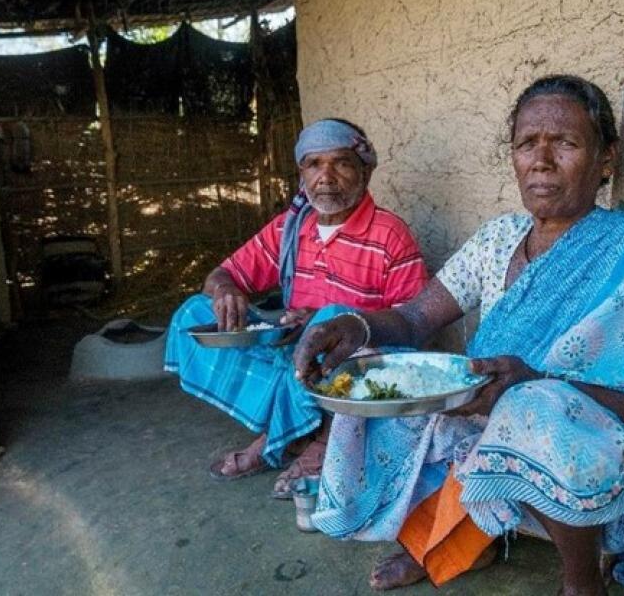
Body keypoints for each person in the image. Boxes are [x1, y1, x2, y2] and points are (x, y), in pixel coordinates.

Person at [293, 76, 624, 595]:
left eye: (567, 144)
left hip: (603, 453)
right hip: (495, 425)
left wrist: (534, 381)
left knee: (533, 406)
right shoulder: (499, 239)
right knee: (378, 372)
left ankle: (582, 579)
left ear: (606, 159)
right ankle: (453, 534)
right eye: (527, 143)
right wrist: (351, 324)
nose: (542, 160)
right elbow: (418, 318)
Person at [164, 118, 427, 497]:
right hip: (292, 358)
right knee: (195, 314)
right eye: (313, 164)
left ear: (364, 171)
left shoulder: (389, 234)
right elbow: (222, 274)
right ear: (302, 173)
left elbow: (411, 324)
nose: (326, 176)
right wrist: (226, 292)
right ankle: (292, 432)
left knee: (328, 318)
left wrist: (336, 324)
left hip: (351, 368)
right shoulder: (290, 228)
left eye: (341, 162)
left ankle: (297, 440)